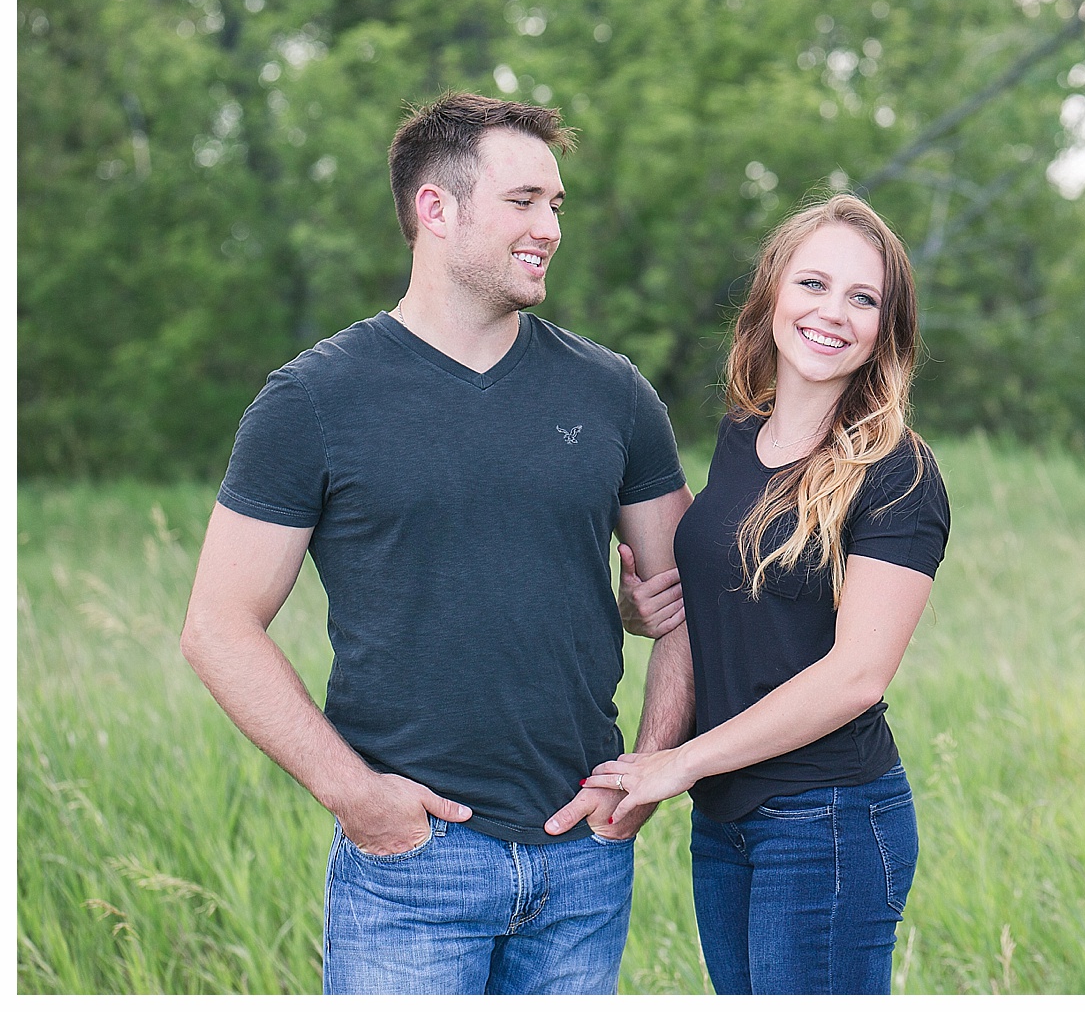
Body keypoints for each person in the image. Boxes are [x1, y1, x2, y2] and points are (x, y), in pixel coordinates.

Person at [179, 94, 695, 996]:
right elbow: (218, 625)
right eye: (524, 200)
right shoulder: (313, 400)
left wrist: (648, 769)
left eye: (557, 205)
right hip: (415, 866)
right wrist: (359, 798)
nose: (549, 227)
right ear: (436, 208)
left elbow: (692, 601)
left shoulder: (613, 392)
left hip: (584, 856)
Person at [545, 198, 949, 995]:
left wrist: (678, 762)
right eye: (814, 283)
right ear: (771, 297)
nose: (833, 312)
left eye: (862, 298)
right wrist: (645, 610)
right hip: (727, 819)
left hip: (827, 819)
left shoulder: (896, 472)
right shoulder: (743, 436)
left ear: (885, 329)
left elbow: (857, 675)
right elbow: (720, 603)